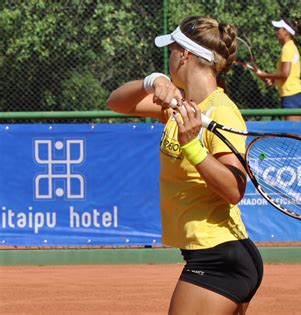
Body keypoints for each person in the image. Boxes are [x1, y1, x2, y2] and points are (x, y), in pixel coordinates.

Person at [107, 16, 263, 315]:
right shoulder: (181, 106)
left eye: (171, 50)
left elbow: (234, 188)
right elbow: (117, 103)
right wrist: (152, 81)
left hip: (219, 258)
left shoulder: (223, 114)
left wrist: (192, 145)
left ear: (185, 55)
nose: (169, 58)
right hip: (209, 255)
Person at [253, 17, 301, 121]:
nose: (276, 31)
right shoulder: (291, 47)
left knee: (293, 133)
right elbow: (287, 74)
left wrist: (265, 75)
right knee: (295, 133)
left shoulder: (287, 48)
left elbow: (285, 74)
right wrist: (273, 80)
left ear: (286, 31)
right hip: (296, 95)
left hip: (292, 96)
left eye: (279, 29)